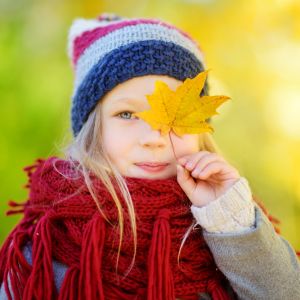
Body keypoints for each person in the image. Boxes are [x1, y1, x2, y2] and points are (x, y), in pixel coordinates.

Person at [0, 12, 299, 300]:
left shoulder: (227, 219)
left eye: (174, 118)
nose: (154, 138)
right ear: (92, 129)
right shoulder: (52, 237)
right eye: (127, 114)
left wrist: (232, 221)